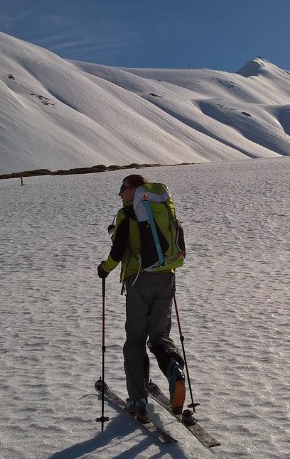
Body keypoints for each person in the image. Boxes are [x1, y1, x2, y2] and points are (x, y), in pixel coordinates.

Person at [97, 174, 186, 421]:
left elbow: (117, 252)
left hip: (139, 281)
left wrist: (104, 269)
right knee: (159, 335)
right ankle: (174, 370)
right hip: (166, 276)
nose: (120, 193)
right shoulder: (160, 209)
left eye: (123, 188)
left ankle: (137, 399)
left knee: (135, 340)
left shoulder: (128, 215)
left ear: (134, 190)